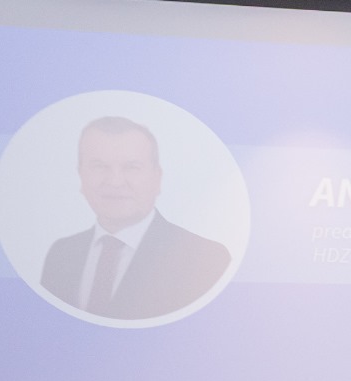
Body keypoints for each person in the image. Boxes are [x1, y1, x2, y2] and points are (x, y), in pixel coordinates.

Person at [40, 116, 231, 320]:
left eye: (131, 167)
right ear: (81, 175)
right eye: (99, 166)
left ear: (157, 178)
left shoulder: (205, 259)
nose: (115, 182)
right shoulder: (61, 254)